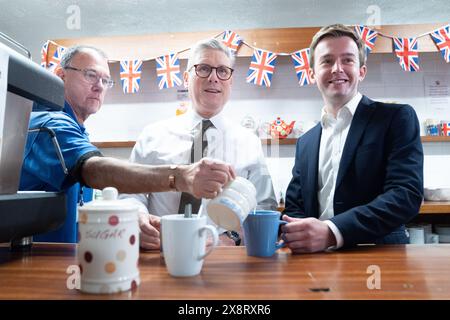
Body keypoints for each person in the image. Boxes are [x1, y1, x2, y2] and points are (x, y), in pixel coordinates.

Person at [19, 46, 235, 241]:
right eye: (91, 75)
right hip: (35, 266)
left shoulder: (75, 129)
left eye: (105, 80)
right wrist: (180, 177)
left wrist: (135, 219)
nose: (99, 87)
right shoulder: (50, 124)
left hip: (63, 259)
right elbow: (94, 171)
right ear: (60, 75)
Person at [120, 39, 277, 249]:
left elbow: (264, 207)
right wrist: (138, 218)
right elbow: (130, 192)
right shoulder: (152, 135)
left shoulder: (250, 142)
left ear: (231, 81)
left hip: (222, 260)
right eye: (203, 68)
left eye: (223, 71)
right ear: (186, 78)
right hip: (159, 253)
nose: (213, 78)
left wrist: (231, 238)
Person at [281, 24, 423, 253]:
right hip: (314, 262)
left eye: (347, 60)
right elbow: (295, 207)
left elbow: (405, 195)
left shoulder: (396, 118)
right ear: (311, 73)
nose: (337, 68)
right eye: (326, 61)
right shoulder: (305, 142)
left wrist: (331, 231)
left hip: (380, 260)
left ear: (362, 71)